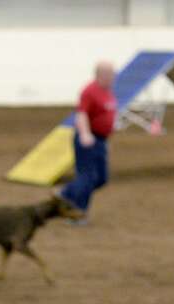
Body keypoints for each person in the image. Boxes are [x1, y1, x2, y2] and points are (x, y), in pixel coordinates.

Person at [58, 61, 117, 222]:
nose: (113, 77)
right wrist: (85, 134)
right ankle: (77, 214)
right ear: (100, 74)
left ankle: (65, 193)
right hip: (88, 139)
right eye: (111, 74)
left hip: (101, 140)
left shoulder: (108, 91)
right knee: (87, 177)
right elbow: (81, 114)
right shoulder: (89, 91)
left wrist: (106, 140)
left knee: (101, 178)